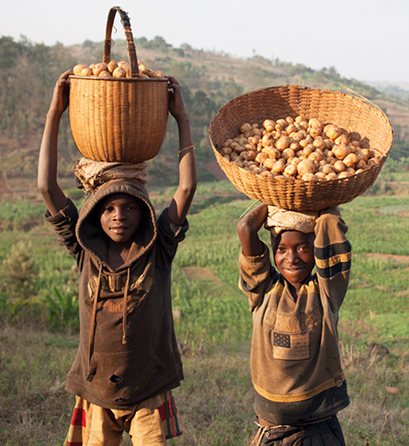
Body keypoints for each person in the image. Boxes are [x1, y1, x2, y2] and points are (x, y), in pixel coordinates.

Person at [38, 70, 197, 445]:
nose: (119, 216)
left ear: (144, 211)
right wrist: (55, 113)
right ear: (96, 213)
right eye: (109, 208)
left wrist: (181, 118)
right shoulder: (85, 251)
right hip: (95, 393)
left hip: (148, 390)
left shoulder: (158, 249)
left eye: (129, 207)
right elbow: (46, 186)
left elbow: (187, 187)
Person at [237, 203, 351, 445]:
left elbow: (330, 225)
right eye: (281, 249)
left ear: (316, 250)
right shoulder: (263, 290)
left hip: (318, 427)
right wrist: (273, 202)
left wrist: (317, 203)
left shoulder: (325, 292)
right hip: (273, 430)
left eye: (302, 248)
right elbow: (245, 228)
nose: (291, 258)